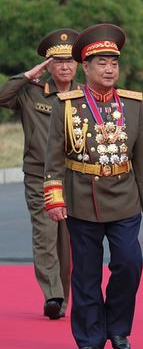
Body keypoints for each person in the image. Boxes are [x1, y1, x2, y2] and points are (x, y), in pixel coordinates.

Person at [44, 23, 143, 349]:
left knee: (129, 262)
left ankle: (119, 327)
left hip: (124, 197)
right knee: (85, 272)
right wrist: (54, 198)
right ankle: (91, 335)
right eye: (102, 63)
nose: (109, 69)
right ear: (86, 66)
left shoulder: (133, 104)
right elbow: (53, 157)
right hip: (81, 197)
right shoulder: (67, 105)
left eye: (114, 63)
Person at [0, 28, 80, 320]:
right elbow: (1, 97)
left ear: (78, 64)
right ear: (48, 64)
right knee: (45, 234)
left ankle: (65, 298)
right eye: (57, 62)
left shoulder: (84, 95)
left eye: (70, 61)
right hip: (40, 176)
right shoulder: (31, 93)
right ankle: (53, 295)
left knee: (68, 242)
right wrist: (28, 75)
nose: (64, 67)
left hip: (75, 177)